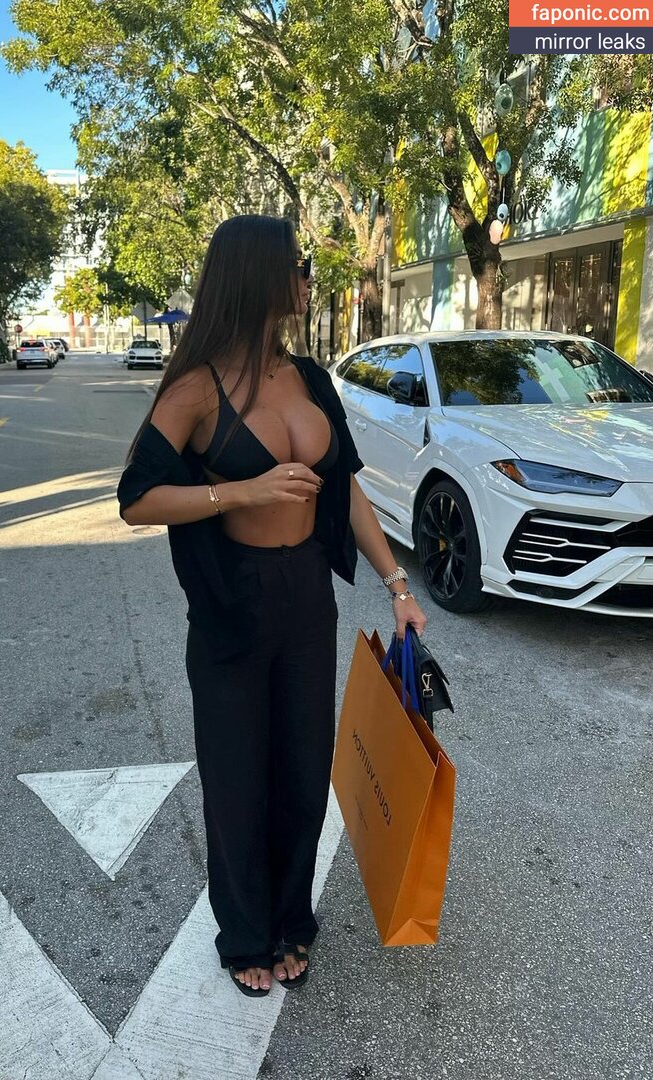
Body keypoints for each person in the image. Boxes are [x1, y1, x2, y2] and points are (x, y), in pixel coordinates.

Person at [117, 215, 426, 998]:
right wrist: (241, 491)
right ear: (259, 275)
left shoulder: (311, 378)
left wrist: (397, 587)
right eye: (298, 265)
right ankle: (245, 934)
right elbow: (137, 499)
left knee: (301, 770)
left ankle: (291, 922)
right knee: (236, 777)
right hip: (235, 603)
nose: (308, 279)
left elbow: (346, 489)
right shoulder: (196, 387)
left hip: (307, 597)